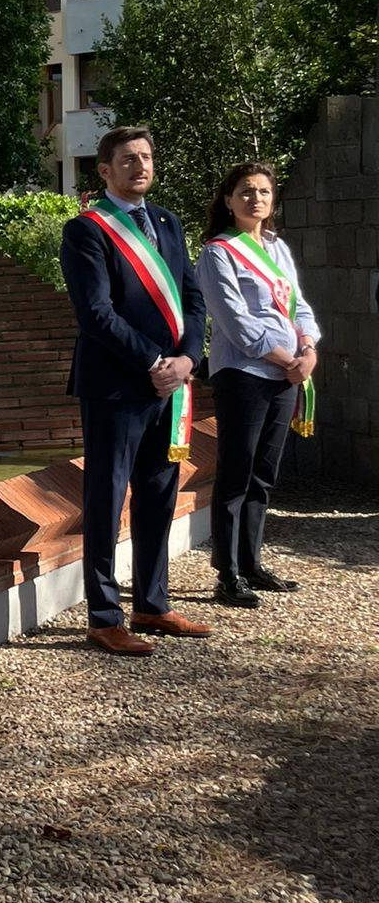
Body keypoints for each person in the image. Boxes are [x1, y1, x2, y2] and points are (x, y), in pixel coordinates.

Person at [60, 125, 210, 657]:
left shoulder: (168, 222)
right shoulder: (87, 230)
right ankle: (104, 618)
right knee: (106, 499)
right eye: (128, 159)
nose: (140, 165)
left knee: (160, 493)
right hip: (117, 387)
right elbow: (96, 314)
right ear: (105, 170)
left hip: (170, 385)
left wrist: (188, 360)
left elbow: (193, 299)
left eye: (146, 156)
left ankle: (152, 603)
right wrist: (154, 361)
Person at [198, 161, 319, 608]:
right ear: (228, 200)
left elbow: (299, 306)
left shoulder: (277, 248)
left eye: (264, 191)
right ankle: (226, 572)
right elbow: (235, 322)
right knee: (236, 472)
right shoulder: (218, 253)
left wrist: (309, 348)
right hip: (244, 375)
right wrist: (289, 359)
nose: (256, 199)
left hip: (287, 374)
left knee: (263, 474)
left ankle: (250, 563)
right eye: (246, 191)